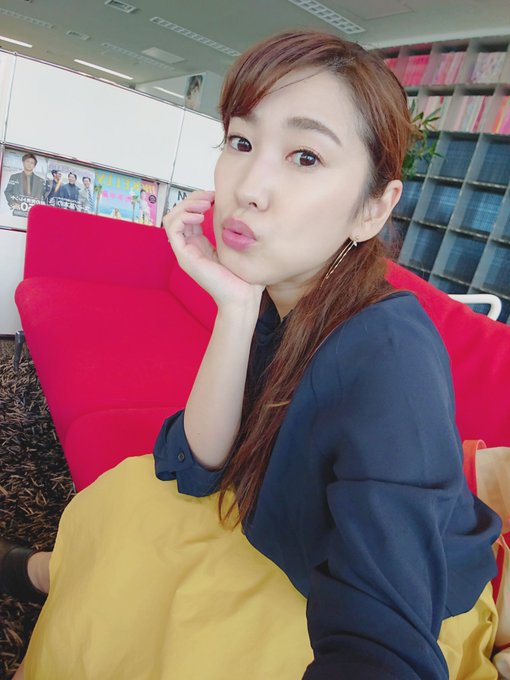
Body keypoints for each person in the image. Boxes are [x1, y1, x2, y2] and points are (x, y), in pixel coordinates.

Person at [0, 29, 503, 680]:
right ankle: (46, 572)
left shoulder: (390, 353)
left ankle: (43, 573)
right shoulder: (283, 294)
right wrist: (235, 307)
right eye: (241, 142)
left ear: (374, 209)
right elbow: (196, 463)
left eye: (305, 157)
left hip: (358, 598)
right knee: (133, 508)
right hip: (280, 536)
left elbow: (386, 644)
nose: (250, 187)